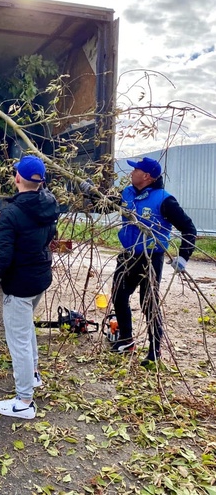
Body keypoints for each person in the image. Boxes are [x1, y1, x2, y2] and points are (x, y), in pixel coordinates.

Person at [81, 157, 196, 366]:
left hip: (151, 257)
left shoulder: (164, 200)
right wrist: (91, 191)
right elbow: (106, 205)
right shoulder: (128, 193)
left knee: (148, 302)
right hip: (128, 254)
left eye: (136, 170)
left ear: (147, 176)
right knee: (118, 294)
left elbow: (189, 228)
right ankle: (126, 339)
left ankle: (154, 350)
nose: (131, 172)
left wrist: (183, 256)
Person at [0, 155, 59, 419]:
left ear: (16, 178)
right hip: (39, 279)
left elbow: (2, 255)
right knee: (26, 330)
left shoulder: (11, 213)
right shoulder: (50, 204)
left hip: (20, 284)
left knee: (19, 342)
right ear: (42, 181)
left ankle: (24, 401)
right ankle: (34, 375)